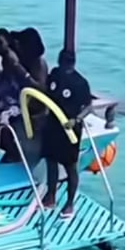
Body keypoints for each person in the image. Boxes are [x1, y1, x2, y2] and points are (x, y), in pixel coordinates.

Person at [41, 49, 93, 219]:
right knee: (51, 161)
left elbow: (88, 107)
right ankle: (51, 196)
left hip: (70, 129)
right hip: (53, 125)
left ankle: (70, 204)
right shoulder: (55, 74)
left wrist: (76, 119)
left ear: (72, 63)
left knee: (70, 166)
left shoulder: (80, 83)